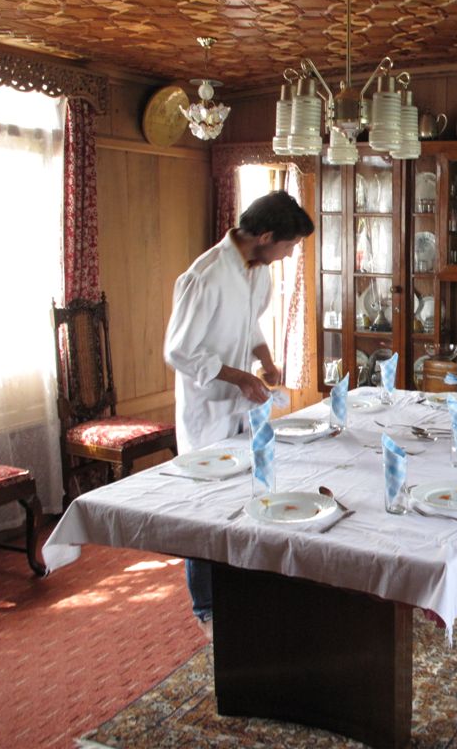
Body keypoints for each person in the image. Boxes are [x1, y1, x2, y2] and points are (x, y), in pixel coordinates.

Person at [164, 190, 314, 639]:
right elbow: (179, 351)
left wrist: (264, 361)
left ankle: (245, 589)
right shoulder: (205, 276)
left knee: (251, 491)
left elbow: (248, 325)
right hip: (207, 408)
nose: (289, 254)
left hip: (239, 405)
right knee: (207, 512)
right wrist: (238, 377)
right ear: (266, 236)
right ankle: (206, 607)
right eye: (288, 246)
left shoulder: (258, 272)